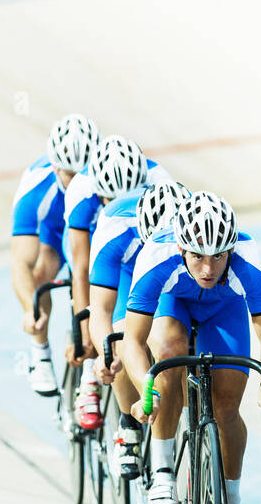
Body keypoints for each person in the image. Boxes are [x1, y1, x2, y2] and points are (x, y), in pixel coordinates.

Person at [121, 191, 261, 504]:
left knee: (226, 407)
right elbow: (132, 340)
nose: (208, 269)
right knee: (167, 352)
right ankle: (163, 467)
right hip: (174, 304)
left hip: (224, 312)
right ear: (181, 249)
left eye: (218, 256)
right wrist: (145, 388)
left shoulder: (250, 263)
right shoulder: (157, 258)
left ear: (232, 250)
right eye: (197, 256)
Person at [79, 181, 191, 483]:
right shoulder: (114, 228)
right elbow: (100, 308)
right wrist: (105, 352)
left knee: (175, 342)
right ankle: (128, 423)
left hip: (178, 275)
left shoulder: (192, 223)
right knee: (120, 338)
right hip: (131, 275)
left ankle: (183, 423)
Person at [61, 136, 173, 384]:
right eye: (114, 202)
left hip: (147, 240)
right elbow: (81, 269)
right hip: (100, 241)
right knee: (113, 340)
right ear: (100, 194)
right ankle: (92, 385)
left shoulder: (161, 181)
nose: (124, 210)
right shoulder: (81, 191)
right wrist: (87, 334)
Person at [9, 113, 99, 395]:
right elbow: (20, 262)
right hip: (56, 229)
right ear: (55, 167)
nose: (76, 183)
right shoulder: (35, 189)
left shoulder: (106, 177)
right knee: (42, 271)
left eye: (83, 174)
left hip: (93, 228)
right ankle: (40, 352)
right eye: (69, 175)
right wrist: (29, 308)